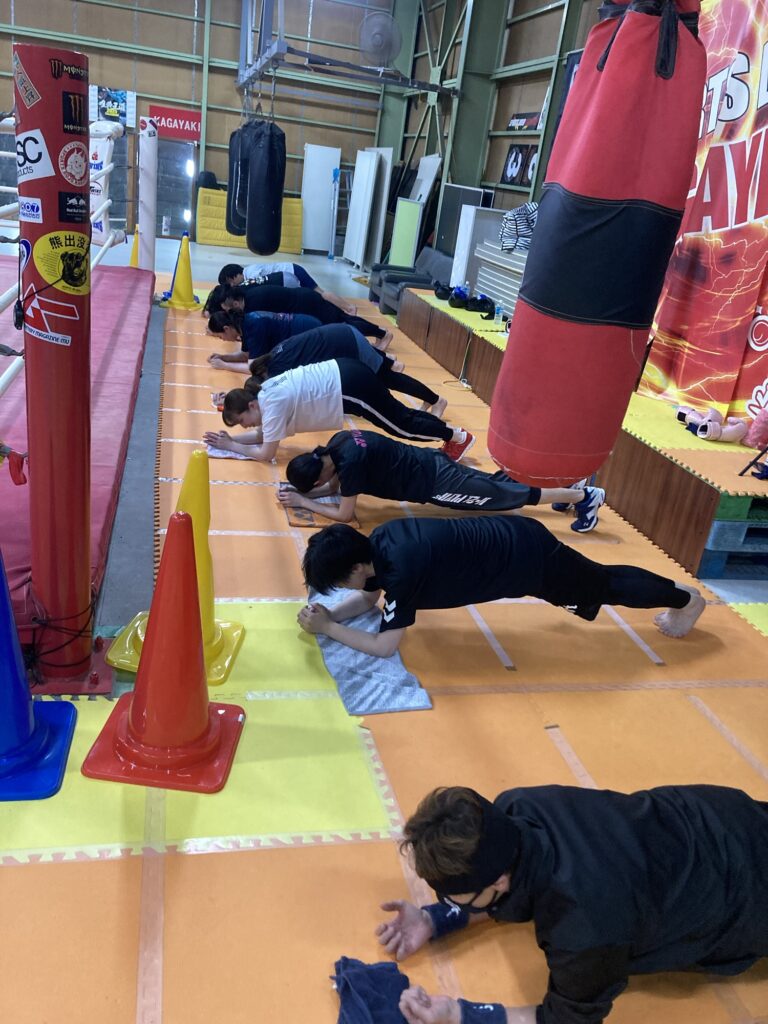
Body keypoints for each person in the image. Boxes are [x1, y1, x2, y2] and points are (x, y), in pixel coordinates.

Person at [377, 784, 768, 1024]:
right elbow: (508, 890)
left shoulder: (584, 927)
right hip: (718, 814)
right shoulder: (516, 807)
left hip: (748, 897)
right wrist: (435, 920)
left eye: (452, 898)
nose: (447, 903)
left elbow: (564, 1019)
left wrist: (460, 1015)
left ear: (497, 882)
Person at [297, 517, 706, 658]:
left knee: (603, 586)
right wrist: (332, 614)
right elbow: (369, 599)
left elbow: (385, 646)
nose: (340, 589)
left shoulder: (402, 571)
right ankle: (681, 594)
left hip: (526, 558)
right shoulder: (379, 541)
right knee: (599, 579)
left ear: (355, 567)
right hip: (514, 539)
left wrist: (327, 628)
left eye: (338, 582)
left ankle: (686, 600)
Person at [281, 429, 605, 532]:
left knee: (504, 497)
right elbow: (334, 487)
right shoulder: (338, 444)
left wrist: (303, 501)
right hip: (431, 462)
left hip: (437, 482)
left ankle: (584, 497)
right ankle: (568, 486)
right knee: (498, 483)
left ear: (318, 476)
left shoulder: (350, 465)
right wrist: (305, 493)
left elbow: (344, 514)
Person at [202, 358, 475, 464]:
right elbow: (263, 436)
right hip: (344, 375)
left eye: (243, 421)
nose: (246, 426)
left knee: (400, 425)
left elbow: (266, 453)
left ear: (251, 405)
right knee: (400, 416)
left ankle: (458, 437)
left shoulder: (271, 407)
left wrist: (232, 446)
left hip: (348, 385)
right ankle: (453, 435)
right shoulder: (265, 392)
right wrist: (230, 440)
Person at [228, 327, 446, 412]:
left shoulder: (279, 370)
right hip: (340, 336)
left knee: (386, 379)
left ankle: (436, 400)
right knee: (383, 376)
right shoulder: (271, 359)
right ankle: (428, 399)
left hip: (346, 342)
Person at [213, 283, 392, 348]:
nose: (230, 314)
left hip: (308, 303)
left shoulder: (253, 305)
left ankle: (383, 333)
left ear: (235, 304)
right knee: (342, 321)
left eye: (228, 310)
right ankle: (380, 333)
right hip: (303, 301)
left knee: (343, 322)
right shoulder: (247, 295)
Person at [218, 261, 357, 315]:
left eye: (232, 282)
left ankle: (348, 307)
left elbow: (265, 284)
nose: (234, 286)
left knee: (319, 294)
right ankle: (345, 308)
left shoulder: (251, 272)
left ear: (233, 276)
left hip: (291, 272)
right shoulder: (249, 273)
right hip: (290, 272)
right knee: (317, 295)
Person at [207, 309, 322, 360]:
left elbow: (253, 367)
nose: (223, 340)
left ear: (226, 329)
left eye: (220, 336)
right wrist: (223, 358)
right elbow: (245, 355)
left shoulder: (253, 327)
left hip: (308, 331)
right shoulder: (243, 323)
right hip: (305, 325)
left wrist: (224, 365)